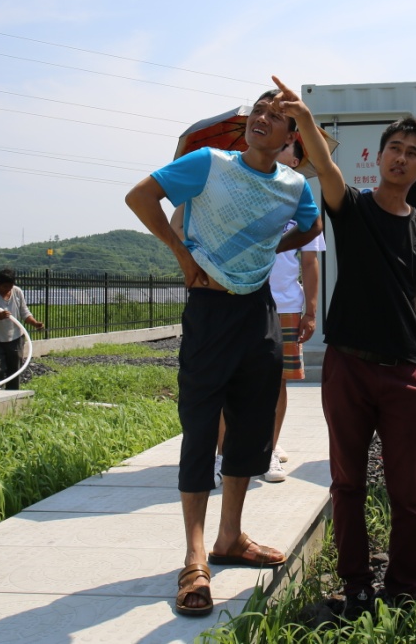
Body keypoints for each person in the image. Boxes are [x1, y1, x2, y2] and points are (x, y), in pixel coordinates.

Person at [124, 89, 323, 618]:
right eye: (259, 111)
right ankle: (195, 558)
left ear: (290, 137)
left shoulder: (294, 185)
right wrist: (181, 253)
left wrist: (268, 247)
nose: (263, 119)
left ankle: (230, 536)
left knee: (251, 426)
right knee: (200, 427)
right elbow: (140, 196)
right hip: (210, 310)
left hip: (258, 310)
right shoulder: (209, 163)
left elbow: (312, 225)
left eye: (277, 117)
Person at [271, 76, 416, 615]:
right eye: (395, 147)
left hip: (405, 372)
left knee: (407, 491)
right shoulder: (353, 209)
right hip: (348, 365)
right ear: (382, 155)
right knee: (346, 482)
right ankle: (357, 586)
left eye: (413, 153)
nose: (401, 157)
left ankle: (406, 588)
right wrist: (304, 119)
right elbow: (325, 168)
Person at [265, 136, 326, 483]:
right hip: (244, 299)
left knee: (277, 381)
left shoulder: (302, 201)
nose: (279, 147)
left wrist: (311, 312)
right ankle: (229, 451)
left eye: (287, 146)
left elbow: (310, 261)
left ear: (296, 161)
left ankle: (270, 449)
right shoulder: (246, 192)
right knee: (239, 380)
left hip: (286, 305)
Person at [0, 267, 44, 390]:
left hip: (15, 338)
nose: (7, 289)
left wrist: (35, 323)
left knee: (14, 370)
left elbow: (24, 312)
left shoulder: (17, 292)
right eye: (4, 287)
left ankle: (12, 395)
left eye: (10, 286)